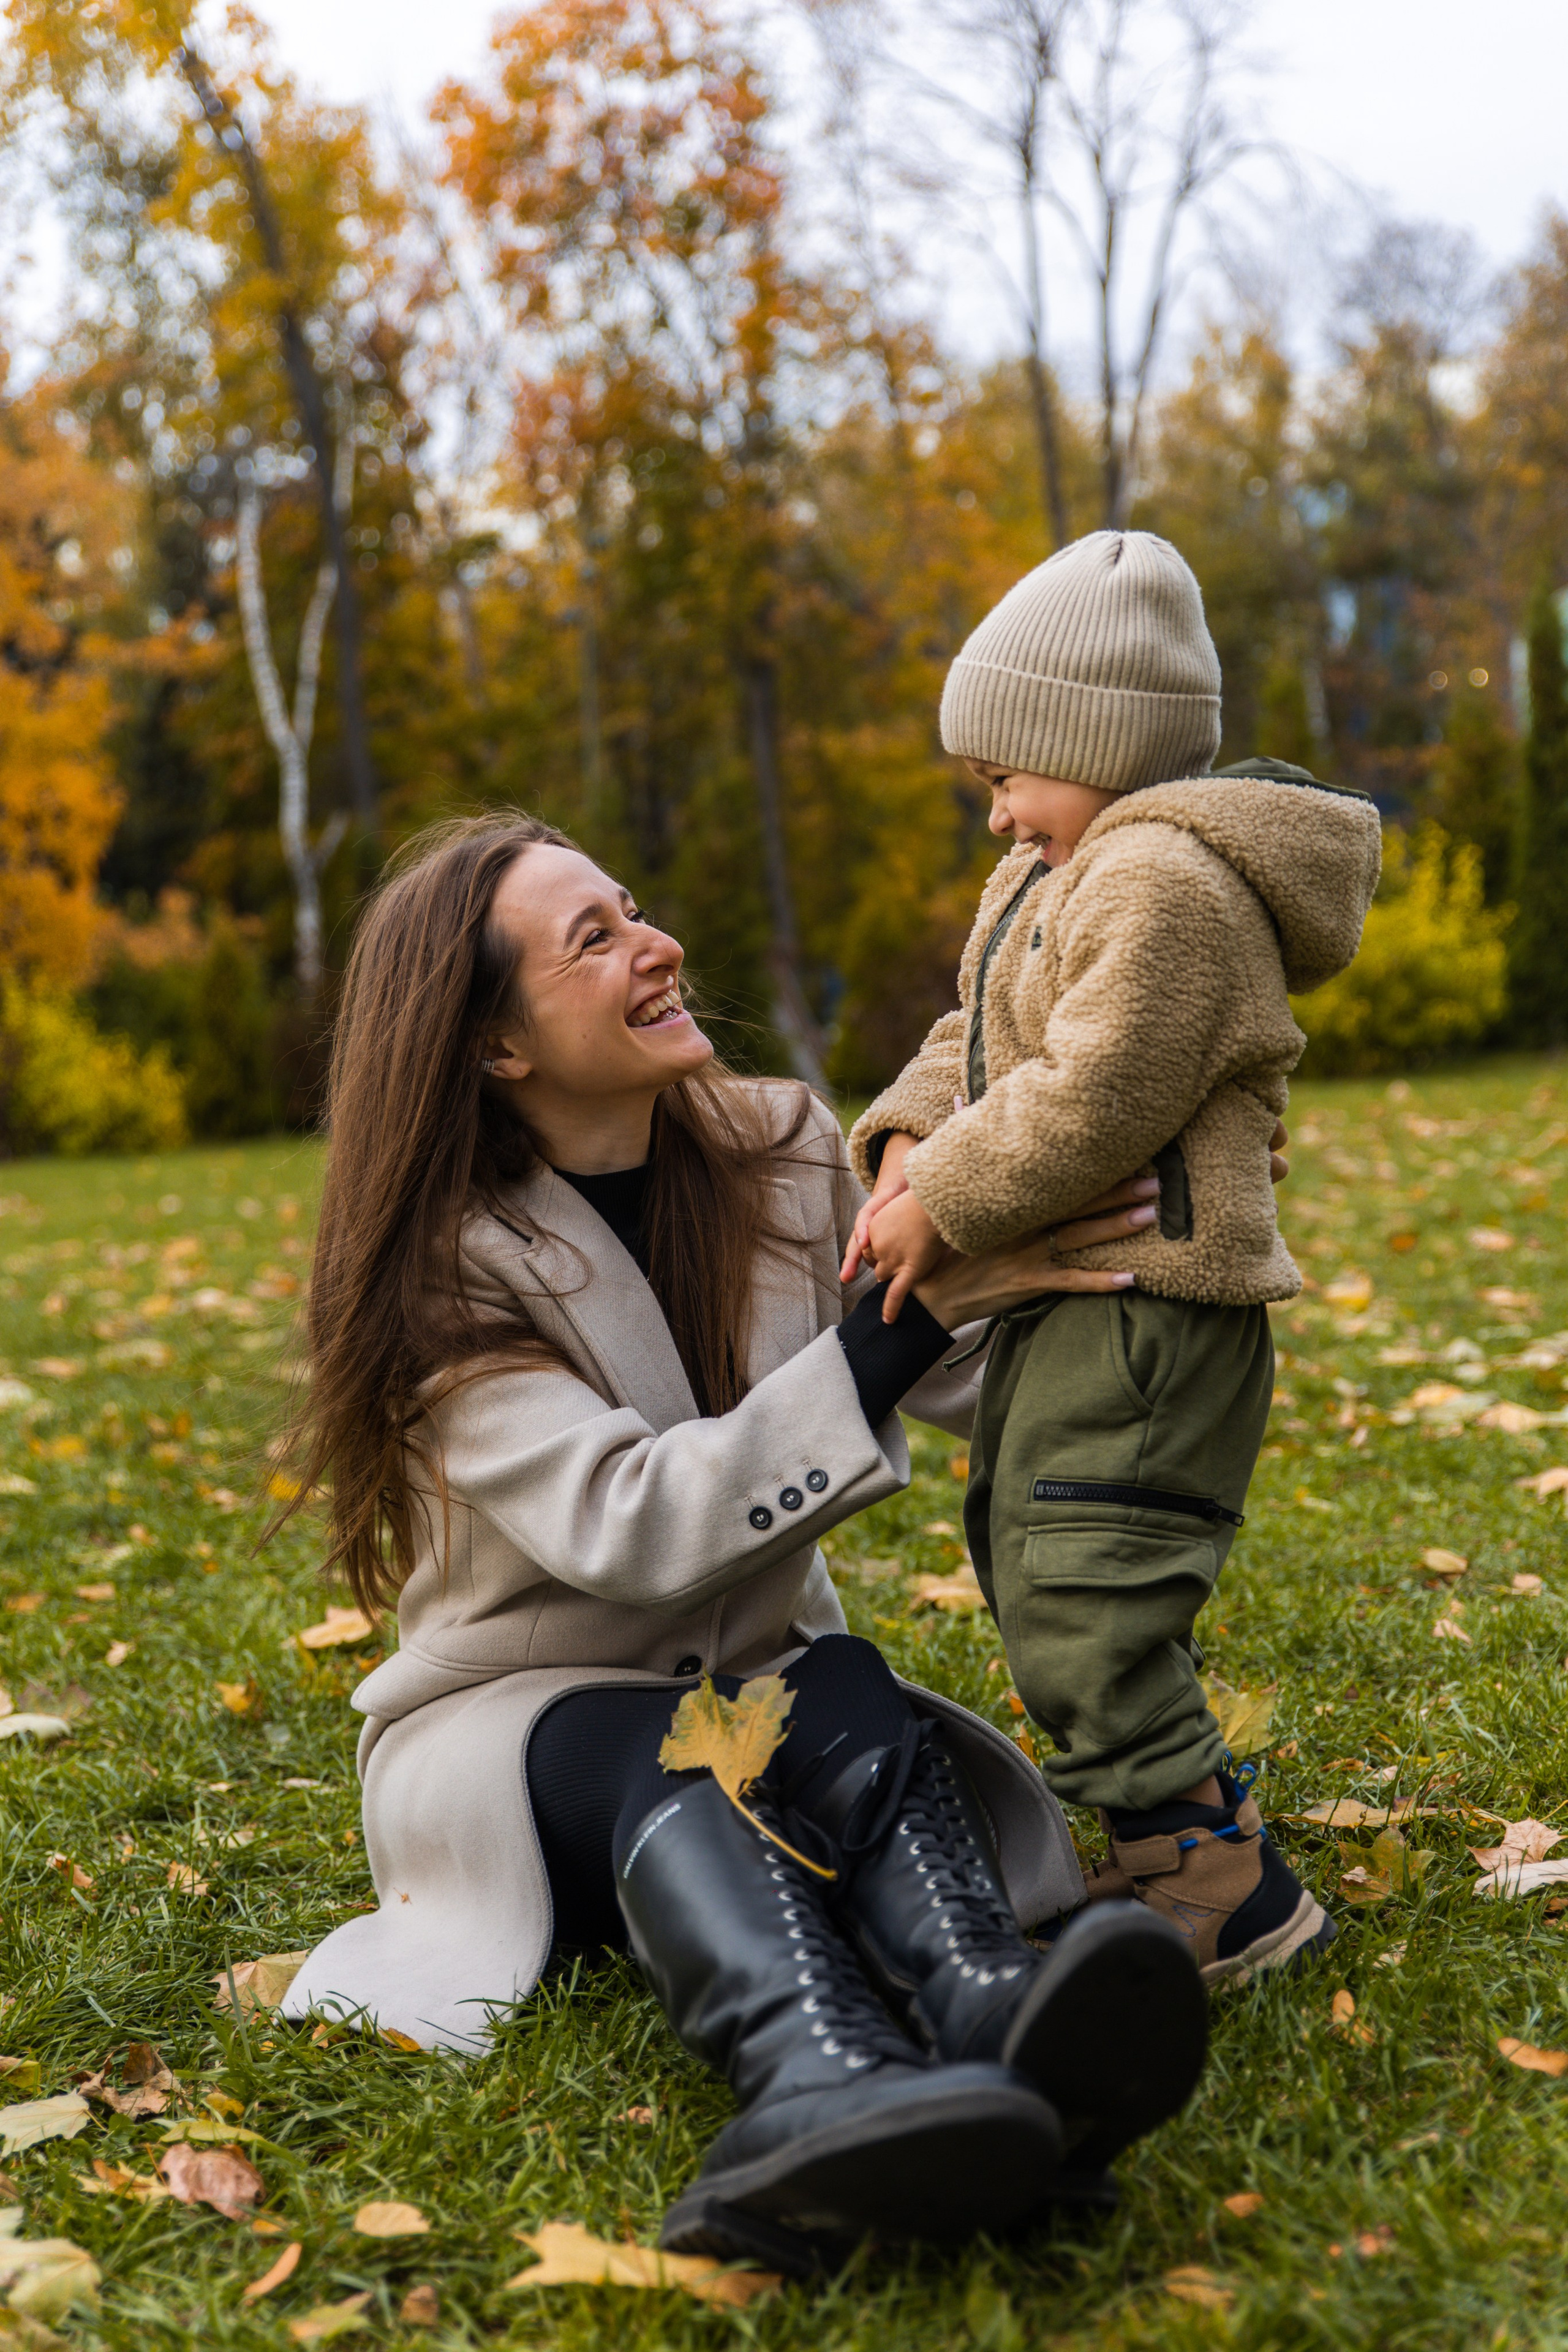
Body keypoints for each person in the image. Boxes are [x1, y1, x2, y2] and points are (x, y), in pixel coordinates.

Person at [275, 812, 1212, 2276]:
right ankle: (811, 2081)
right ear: (493, 1045)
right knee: (672, 1744)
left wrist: (1160, 1229)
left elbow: (962, 1358)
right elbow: (633, 1522)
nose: (658, 948)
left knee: (841, 1685)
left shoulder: (774, 1145)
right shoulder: (437, 1272)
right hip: (517, 1728)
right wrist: (914, 1315)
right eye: (593, 940)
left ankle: (993, 2010)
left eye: (631, 908)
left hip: (763, 1679)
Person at [845, 530, 1382, 1985]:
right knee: (1037, 1558)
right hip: (1084, 1301)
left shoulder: (1162, 883)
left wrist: (945, 1203)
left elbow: (1098, 1090)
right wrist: (902, 1139)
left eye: (1004, 773)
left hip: (1149, 1303)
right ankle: (1169, 1843)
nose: (995, 812)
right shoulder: (1059, 870)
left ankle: (1220, 1886)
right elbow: (981, 1040)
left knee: (1085, 1581)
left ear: (1093, 741)